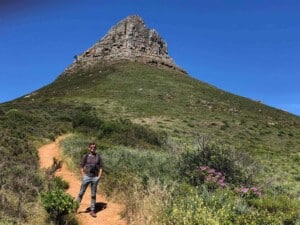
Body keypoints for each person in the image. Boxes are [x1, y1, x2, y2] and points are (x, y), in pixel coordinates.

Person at [76, 142, 103, 218]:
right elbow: (81, 166)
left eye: (94, 147)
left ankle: (92, 210)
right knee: (81, 193)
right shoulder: (86, 156)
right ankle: (74, 208)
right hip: (87, 177)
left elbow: (101, 167)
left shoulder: (98, 157)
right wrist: (83, 176)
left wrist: (99, 177)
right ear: (89, 148)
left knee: (93, 195)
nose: (93, 148)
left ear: (95, 148)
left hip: (95, 177)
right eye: (91, 147)